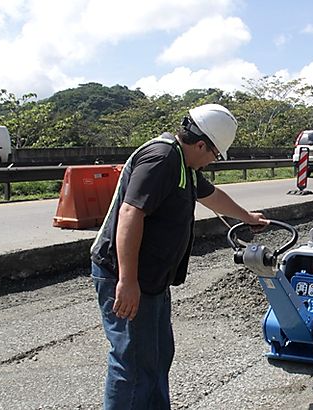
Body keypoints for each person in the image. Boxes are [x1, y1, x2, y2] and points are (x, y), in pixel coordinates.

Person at [90, 103, 268, 409]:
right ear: (201, 144)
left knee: (158, 356)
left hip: (152, 279)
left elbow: (211, 196)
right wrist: (128, 280)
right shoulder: (162, 160)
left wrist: (247, 216)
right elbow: (131, 213)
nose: (212, 162)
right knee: (133, 363)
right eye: (214, 155)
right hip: (127, 275)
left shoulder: (184, 164)